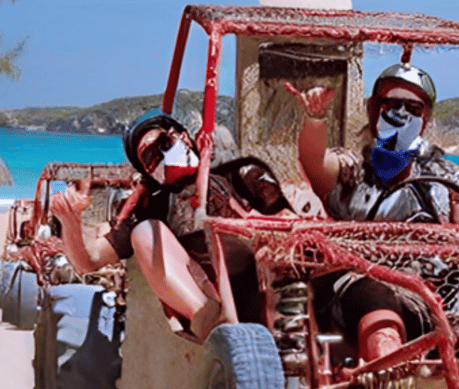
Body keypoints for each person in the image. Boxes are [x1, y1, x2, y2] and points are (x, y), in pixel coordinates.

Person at [286, 62, 459, 364]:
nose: (401, 114)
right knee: (374, 296)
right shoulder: (352, 169)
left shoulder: (446, 176)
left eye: (413, 108)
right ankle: (389, 381)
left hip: (427, 296)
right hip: (356, 292)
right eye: (391, 104)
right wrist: (315, 117)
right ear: (373, 108)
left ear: (425, 117)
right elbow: (315, 162)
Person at [51, 110, 286, 338]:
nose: (164, 155)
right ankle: (211, 322)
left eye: (165, 141)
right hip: (209, 297)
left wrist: (267, 245)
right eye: (151, 156)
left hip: (262, 283)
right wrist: (70, 221)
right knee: (145, 232)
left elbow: (284, 216)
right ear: (147, 172)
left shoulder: (239, 173)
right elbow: (89, 259)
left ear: (184, 135)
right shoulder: (151, 205)